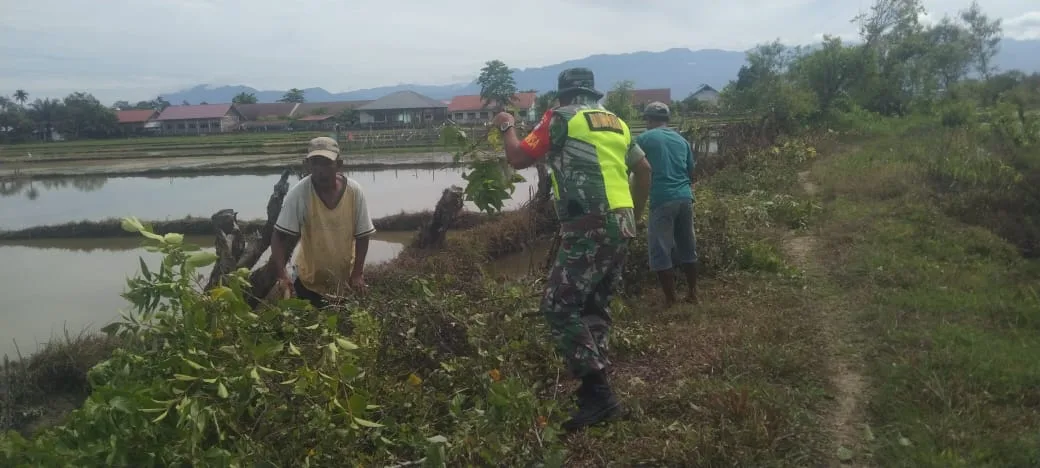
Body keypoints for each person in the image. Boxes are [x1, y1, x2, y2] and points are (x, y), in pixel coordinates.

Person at [492, 67, 652, 432]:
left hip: (589, 225)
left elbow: (518, 157)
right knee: (595, 306)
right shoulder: (616, 122)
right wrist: (635, 216)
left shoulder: (560, 118)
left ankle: (599, 394)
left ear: (562, 95)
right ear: (592, 94)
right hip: (621, 222)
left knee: (558, 305)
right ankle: (595, 390)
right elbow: (644, 170)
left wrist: (506, 125)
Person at [270, 136, 376, 308]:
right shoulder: (300, 193)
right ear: (307, 165)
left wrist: (357, 274)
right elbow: (278, 236)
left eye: (327, 163)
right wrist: (282, 275)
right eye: (315, 163)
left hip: (345, 281)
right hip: (308, 283)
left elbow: (363, 235)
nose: (320, 170)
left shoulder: (354, 191)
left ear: (339, 164)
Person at [636, 101, 698, 307]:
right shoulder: (682, 140)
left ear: (648, 119)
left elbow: (633, 166)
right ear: (666, 119)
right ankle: (693, 293)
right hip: (685, 198)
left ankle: (671, 300)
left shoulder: (643, 139)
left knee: (660, 249)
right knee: (687, 246)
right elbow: (690, 171)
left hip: (662, 199)